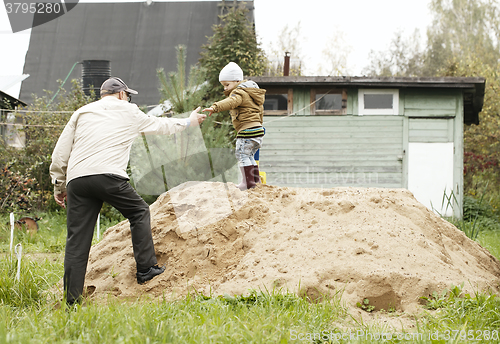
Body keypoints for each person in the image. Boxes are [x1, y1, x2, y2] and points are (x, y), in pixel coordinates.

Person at [50, 77, 206, 305]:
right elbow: (160, 125)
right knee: (139, 211)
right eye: (128, 95)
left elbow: (60, 153)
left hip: (78, 180)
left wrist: (59, 184)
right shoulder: (129, 110)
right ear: (122, 94)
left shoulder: (82, 112)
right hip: (108, 175)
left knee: (77, 240)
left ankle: (71, 301)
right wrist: (189, 122)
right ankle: (145, 269)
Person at [203, 62, 266, 190]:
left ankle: (247, 183)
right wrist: (259, 125)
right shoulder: (253, 92)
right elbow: (260, 111)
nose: (225, 88)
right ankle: (255, 180)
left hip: (247, 130)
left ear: (237, 81)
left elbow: (231, 102)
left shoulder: (239, 93)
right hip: (258, 130)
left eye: (227, 85)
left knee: (242, 154)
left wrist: (214, 108)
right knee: (249, 156)